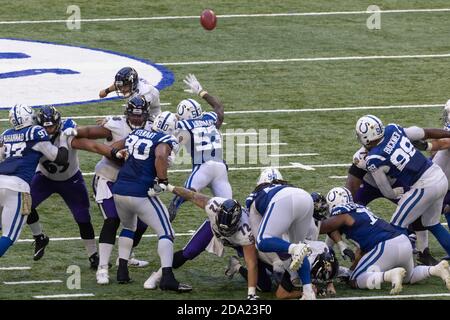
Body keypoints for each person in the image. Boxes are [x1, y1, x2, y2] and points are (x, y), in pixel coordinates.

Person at [26, 105, 122, 267]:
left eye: (52, 126)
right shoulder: (34, 135)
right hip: (44, 178)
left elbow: (91, 145)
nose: (49, 130)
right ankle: (39, 237)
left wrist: (112, 152)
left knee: (83, 218)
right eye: (45, 126)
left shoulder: (67, 133)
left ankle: (93, 256)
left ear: (58, 123)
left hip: (71, 180)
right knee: (24, 204)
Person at [111, 111, 191, 292]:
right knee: (167, 232)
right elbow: (161, 155)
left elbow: (115, 147)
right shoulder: (166, 139)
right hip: (140, 192)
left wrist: (120, 154)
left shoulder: (137, 132)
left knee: (128, 227)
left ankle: (122, 270)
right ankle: (168, 278)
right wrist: (162, 181)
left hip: (119, 190)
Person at [76, 97, 152, 284]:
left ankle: (125, 257)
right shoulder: (116, 124)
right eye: (133, 116)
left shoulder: (151, 127)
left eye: (140, 115)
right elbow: (89, 133)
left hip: (132, 183)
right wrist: (72, 130)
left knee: (142, 223)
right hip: (108, 178)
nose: (136, 119)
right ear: (127, 114)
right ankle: (102, 268)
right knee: (112, 219)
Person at [320, 187, 450, 294]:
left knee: (355, 280)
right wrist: (346, 253)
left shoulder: (342, 214)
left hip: (385, 245)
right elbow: (361, 251)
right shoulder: (359, 209)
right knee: (408, 277)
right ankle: (436, 270)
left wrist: (311, 219)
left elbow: (325, 227)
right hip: (402, 241)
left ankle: (389, 275)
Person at [355, 115, 450, 258]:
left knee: (397, 225)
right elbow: (424, 132)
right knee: (432, 222)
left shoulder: (373, 159)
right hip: (439, 176)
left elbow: (386, 191)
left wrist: (396, 193)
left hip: (424, 186)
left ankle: (405, 265)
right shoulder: (393, 129)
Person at [144, 185, 260, 300]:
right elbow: (191, 195)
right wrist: (168, 186)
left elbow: (251, 263)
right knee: (188, 252)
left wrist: (251, 294)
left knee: (262, 283)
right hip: (213, 230)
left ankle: (236, 266)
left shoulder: (246, 232)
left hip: (237, 241)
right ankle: (158, 275)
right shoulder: (213, 205)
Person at [163, 74, 230, 270]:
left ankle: (172, 208)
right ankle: (224, 235)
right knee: (228, 207)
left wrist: (172, 152)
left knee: (187, 192)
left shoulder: (183, 125)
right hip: (220, 169)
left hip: (203, 167)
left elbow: (170, 132)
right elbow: (219, 109)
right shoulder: (209, 118)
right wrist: (202, 91)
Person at [345, 146, 437, 266]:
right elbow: (350, 186)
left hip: (393, 184)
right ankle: (330, 246)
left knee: (417, 206)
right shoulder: (361, 156)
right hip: (368, 184)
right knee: (344, 209)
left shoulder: (392, 144)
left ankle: (423, 251)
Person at [0, 104, 69, 257]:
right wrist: (63, 138)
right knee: (8, 235)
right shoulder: (35, 132)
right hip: (16, 186)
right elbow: (60, 159)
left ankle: (39, 237)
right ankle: (39, 237)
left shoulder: (5, 134)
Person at [245, 168, 317, 299]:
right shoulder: (289, 186)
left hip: (282, 200)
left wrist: (281, 255)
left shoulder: (256, 195)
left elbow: (259, 238)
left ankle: (295, 248)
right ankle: (308, 292)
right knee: (299, 250)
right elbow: (312, 230)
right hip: (306, 197)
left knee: (262, 241)